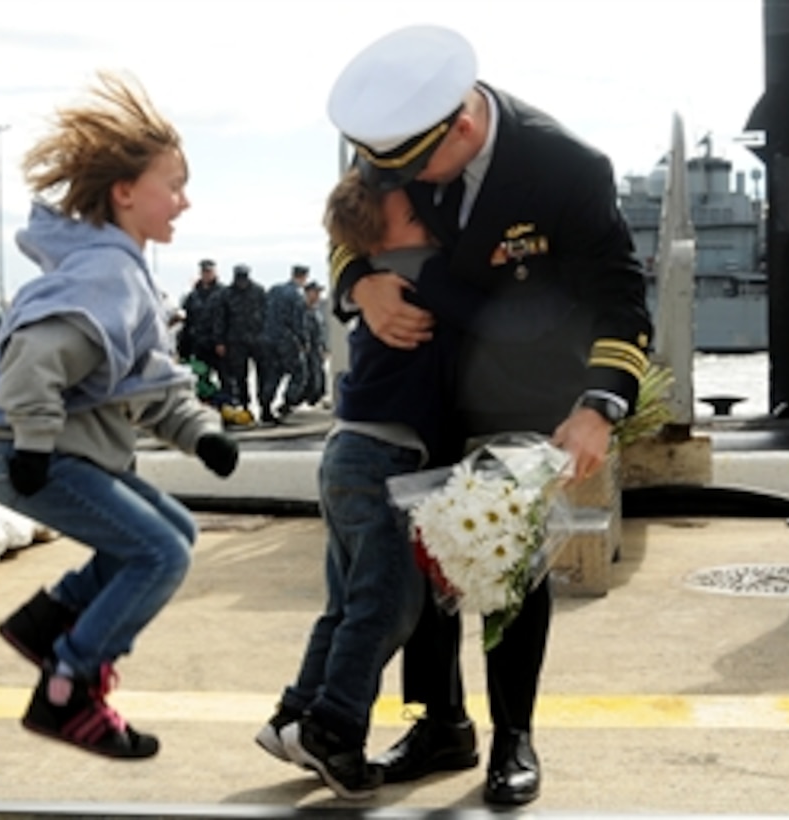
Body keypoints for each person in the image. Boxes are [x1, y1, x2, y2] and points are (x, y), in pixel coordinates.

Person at [325, 25, 653, 806]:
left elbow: (619, 294)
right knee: (425, 565)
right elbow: (352, 231)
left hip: (522, 389)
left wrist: (600, 406)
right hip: (422, 393)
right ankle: (441, 725)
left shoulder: (564, 168)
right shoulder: (394, 145)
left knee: (504, 563)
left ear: (463, 128)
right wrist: (358, 287)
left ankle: (513, 736)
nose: (391, 180)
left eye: (410, 169)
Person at [0, 72, 240, 760]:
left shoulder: (123, 273)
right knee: (157, 552)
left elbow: (145, 381)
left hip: (57, 449)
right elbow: (35, 355)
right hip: (28, 453)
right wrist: (34, 439)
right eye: (174, 185)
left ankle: (49, 622)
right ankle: (68, 681)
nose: (184, 201)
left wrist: (199, 432)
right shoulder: (106, 274)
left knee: (175, 530)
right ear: (126, 193)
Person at [257, 169, 501, 800]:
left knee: (345, 603)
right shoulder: (424, 272)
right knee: (387, 605)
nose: (427, 216)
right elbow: (493, 311)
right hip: (383, 464)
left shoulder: (379, 279)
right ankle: (333, 728)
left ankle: (294, 714)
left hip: (347, 454)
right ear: (382, 241)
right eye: (414, 214)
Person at [256, 264, 310, 424]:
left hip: (267, 338)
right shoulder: (296, 296)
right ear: (303, 277)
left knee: (272, 374)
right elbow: (298, 322)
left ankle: (265, 408)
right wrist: (303, 341)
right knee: (299, 373)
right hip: (286, 340)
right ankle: (286, 405)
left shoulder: (274, 290)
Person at [214, 263, 266, 416]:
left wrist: (267, 337)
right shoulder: (226, 294)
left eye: (244, 277)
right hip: (235, 341)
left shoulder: (258, 291)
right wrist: (219, 341)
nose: (241, 281)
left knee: (262, 374)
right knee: (239, 376)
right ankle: (244, 405)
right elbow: (220, 319)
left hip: (257, 340)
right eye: (239, 278)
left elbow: (266, 314)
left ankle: (265, 405)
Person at [178, 258, 225, 373]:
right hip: (198, 343)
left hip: (217, 344)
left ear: (215, 273)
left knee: (225, 378)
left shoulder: (224, 293)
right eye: (204, 272)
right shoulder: (193, 296)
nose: (206, 275)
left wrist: (222, 342)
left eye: (209, 272)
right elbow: (186, 319)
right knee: (200, 377)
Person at [301, 281, 328, 406]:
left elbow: (320, 331)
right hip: (306, 348)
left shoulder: (317, 310)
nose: (318, 296)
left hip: (316, 348)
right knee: (307, 376)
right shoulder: (301, 310)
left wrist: (323, 347)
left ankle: (315, 398)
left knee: (319, 375)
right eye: (315, 292)